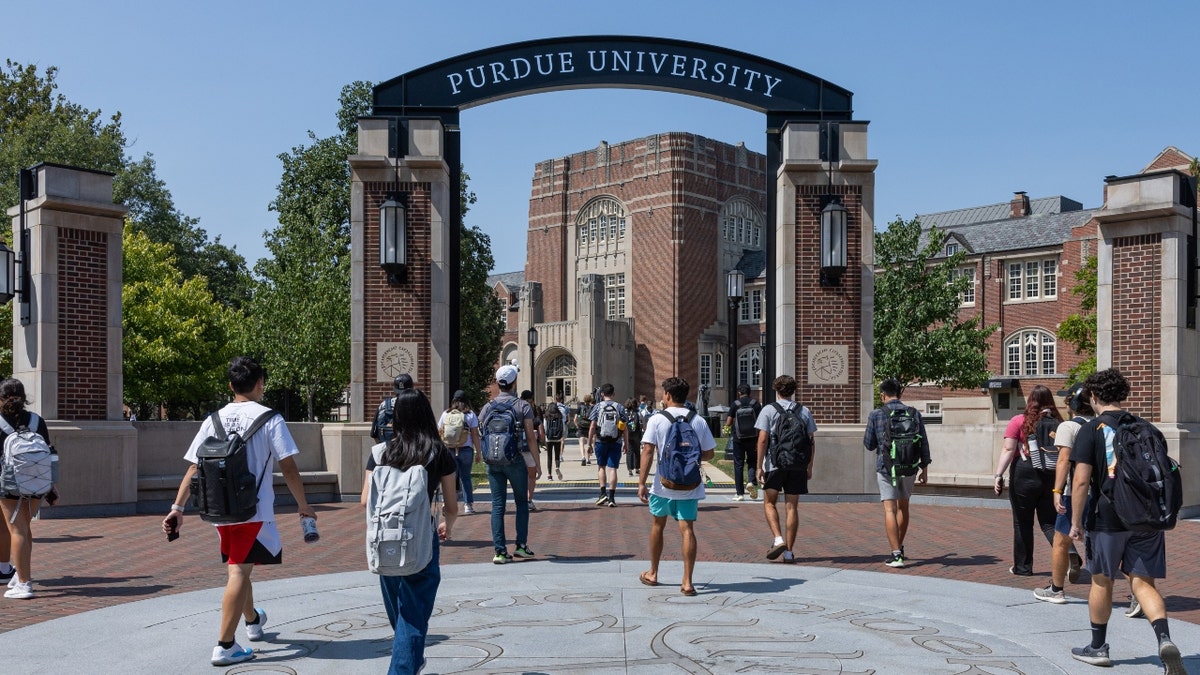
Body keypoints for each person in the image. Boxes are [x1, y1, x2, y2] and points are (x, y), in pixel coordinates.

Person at [162, 356, 317, 667]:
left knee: (240, 565)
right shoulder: (270, 419)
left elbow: (195, 466)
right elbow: (287, 466)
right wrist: (303, 505)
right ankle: (225, 645)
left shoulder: (213, 419)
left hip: (219, 509)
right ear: (260, 384)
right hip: (253, 510)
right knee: (238, 571)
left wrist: (177, 508)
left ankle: (253, 621)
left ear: (231, 385)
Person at [1068, 369, 1185, 673]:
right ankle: (1164, 640)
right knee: (1143, 583)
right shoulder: (1146, 427)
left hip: (1107, 517)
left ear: (1093, 396)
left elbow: (1081, 482)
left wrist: (1076, 522)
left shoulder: (1091, 429)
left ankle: (1097, 647)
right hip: (1146, 516)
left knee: (1102, 580)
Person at [362, 387, 457, 675]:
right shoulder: (437, 452)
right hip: (421, 540)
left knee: (402, 613)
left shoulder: (379, 452)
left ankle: (412, 658)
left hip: (384, 541)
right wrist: (447, 525)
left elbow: (365, 499)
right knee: (413, 615)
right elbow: (452, 505)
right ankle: (402, 668)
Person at [637, 377, 717, 595]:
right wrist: (691, 459)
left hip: (663, 483)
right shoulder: (697, 420)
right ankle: (687, 582)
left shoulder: (657, 420)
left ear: (668, 395)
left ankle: (653, 573)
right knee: (687, 529)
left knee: (657, 525)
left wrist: (641, 482)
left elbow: (647, 451)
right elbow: (709, 452)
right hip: (690, 484)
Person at [993, 385, 1062, 576]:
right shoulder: (1058, 422)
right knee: (1049, 522)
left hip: (1024, 473)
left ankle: (1023, 567)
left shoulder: (1018, 421)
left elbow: (1008, 449)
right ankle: (1068, 554)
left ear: (1030, 400)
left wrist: (998, 475)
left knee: (1022, 523)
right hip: (1051, 475)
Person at [863, 378, 930, 568]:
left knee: (889, 509)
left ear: (883, 395)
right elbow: (923, 442)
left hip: (886, 467)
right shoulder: (914, 413)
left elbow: (868, 444)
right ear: (900, 394)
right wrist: (924, 469)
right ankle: (899, 546)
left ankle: (895, 555)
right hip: (909, 467)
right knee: (904, 507)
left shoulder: (876, 414)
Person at [1033, 383, 1090, 604]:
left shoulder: (1069, 427)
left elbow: (1064, 460)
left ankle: (1056, 589)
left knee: (1061, 541)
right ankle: (1138, 592)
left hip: (1074, 491)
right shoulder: (1101, 424)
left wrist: (1057, 491)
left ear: (1073, 403)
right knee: (1105, 544)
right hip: (1103, 493)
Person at [0, 378, 55, 600]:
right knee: (23, 528)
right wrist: (52, 487)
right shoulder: (36, 420)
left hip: (9, 484)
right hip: (36, 484)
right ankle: (16, 575)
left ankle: (24, 583)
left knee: (17, 530)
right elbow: (50, 454)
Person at [479, 365, 538, 564]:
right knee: (521, 502)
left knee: (497, 505)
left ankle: (500, 551)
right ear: (514, 383)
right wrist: (536, 464)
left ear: (497, 383)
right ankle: (521, 545)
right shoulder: (522, 406)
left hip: (492, 461)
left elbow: (481, 431)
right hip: (515, 459)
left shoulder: (488, 406)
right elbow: (530, 437)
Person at [755, 374, 816, 564]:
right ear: (793, 391)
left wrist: (758, 466)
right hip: (797, 465)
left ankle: (778, 538)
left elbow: (763, 439)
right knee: (792, 507)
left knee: (769, 503)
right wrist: (809, 465)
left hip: (775, 464)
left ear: (776, 390)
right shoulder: (803, 411)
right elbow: (811, 441)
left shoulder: (768, 410)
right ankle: (789, 552)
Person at [438, 390, 481, 515]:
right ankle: (468, 506)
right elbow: (475, 435)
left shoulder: (446, 413)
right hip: (466, 449)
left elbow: (439, 432)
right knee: (466, 477)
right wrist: (478, 452)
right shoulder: (470, 414)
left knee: (450, 478)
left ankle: (446, 504)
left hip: (450, 449)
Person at [588, 383, 631, 507]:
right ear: (613, 394)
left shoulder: (597, 407)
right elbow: (625, 428)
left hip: (600, 441)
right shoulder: (620, 407)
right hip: (616, 441)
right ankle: (612, 497)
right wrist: (626, 443)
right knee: (613, 469)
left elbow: (592, 426)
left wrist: (589, 443)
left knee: (601, 467)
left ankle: (603, 494)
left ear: (602, 394)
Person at [725, 383, 762, 501]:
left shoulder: (735, 404)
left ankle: (739, 493)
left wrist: (726, 429)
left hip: (738, 439)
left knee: (738, 464)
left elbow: (729, 422)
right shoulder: (755, 404)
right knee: (752, 461)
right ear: (750, 392)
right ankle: (751, 481)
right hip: (753, 437)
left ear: (739, 393)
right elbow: (760, 422)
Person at [371, 374, 415, 444]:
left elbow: (374, 433)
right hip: (412, 450)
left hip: (387, 450)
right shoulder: (417, 404)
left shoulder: (384, 405)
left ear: (395, 389)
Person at [520, 390, 545, 511]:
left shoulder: (517, 414)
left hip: (518, 450)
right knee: (531, 476)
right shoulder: (535, 418)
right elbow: (541, 435)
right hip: (531, 451)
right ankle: (529, 500)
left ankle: (521, 499)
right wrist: (543, 442)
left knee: (520, 475)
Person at [542, 394, 569, 481]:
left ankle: (549, 475)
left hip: (549, 438)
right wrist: (563, 435)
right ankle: (557, 467)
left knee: (549, 456)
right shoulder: (560, 416)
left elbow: (545, 427)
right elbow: (563, 426)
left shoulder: (546, 416)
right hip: (557, 437)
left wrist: (545, 436)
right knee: (557, 455)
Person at [623, 397, 643, 478]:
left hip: (628, 433)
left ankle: (630, 470)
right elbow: (643, 423)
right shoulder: (638, 412)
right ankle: (637, 468)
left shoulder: (625, 412)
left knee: (629, 451)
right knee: (637, 451)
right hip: (637, 434)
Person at [576, 393, 595, 465]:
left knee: (581, 442)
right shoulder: (592, 407)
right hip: (589, 426)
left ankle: (583, 457)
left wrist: (577, 425)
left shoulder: (580, 407)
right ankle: (588, 459)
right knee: (589, 443)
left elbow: (575, 419)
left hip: (581, 426)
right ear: (590, 400)